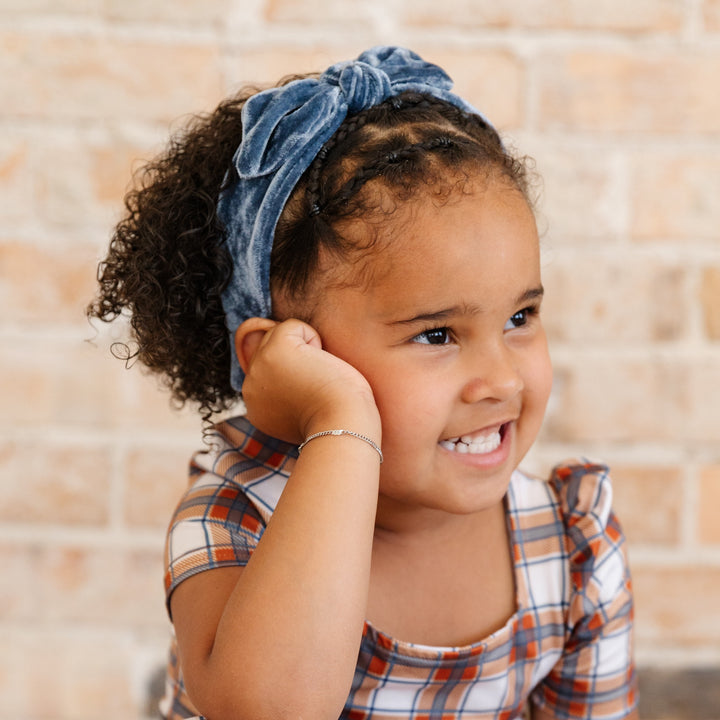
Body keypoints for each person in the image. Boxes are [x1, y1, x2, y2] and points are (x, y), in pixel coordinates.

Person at [88, 46, 638, 719]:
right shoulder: (235, 517)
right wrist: (340, 421)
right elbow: (271, 710)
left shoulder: (571, 542)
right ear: (290, 358)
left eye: (520, 316)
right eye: (437, 334)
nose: (499, 378)